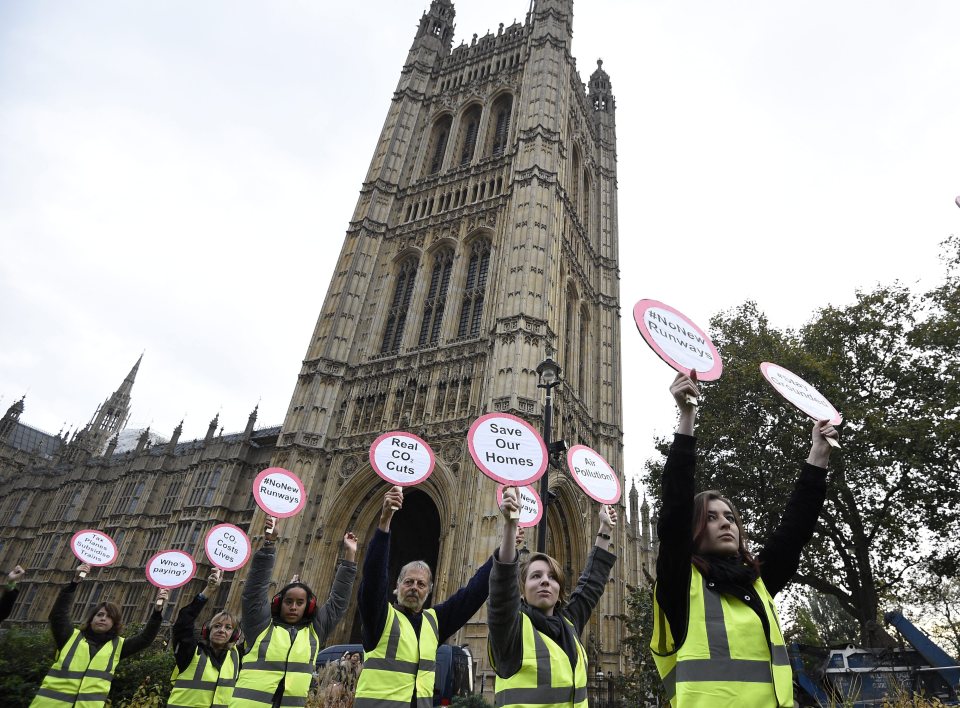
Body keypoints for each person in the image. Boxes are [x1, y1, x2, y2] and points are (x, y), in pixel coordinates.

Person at [649, 371, 838, 707]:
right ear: (693, 532)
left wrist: (818, 454)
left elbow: (794, 531)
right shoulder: (680, 582)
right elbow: (675, 508)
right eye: (710, 517)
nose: (725, 524)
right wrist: (687, 416)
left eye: (730, 517)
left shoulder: (757, 582)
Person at [354, 485, 493, 708]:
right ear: (396, 587)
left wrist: (503, 554)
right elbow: (373, 579)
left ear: (428, 590)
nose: (414, 588)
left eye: (421, 584)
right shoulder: (380, 617)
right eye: (408, 582)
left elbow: (472, 595)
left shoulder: (433, 622)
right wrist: (384, 523)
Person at [488, 486, 618, 708]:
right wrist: (510, 526)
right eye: (535, 576)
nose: (545, 581)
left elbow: (591, 584)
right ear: (522, 589)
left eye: (552, 577)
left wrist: (605, 529)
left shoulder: (569, 624)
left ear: (559, 592)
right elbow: (501, 591)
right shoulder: (511, 631)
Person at [233, 515, 358, 708]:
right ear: (278, 603)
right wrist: (269, 544)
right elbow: (254, 590)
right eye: (289, 601)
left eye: (300, 603)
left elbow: (338, 602)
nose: (293, 606)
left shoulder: (314, 632)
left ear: (308, 607)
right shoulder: (260, 627)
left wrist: (349, 557)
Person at [30, 562, 167, 707]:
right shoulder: (70, 637)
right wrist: (74, 583)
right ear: (91, 619)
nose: (103, 618)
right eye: (100, 614)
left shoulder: (116, 647)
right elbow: (58, 615)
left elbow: (145, 639)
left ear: (114, 624)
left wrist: (157, 612)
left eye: (109, 617)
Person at [168, 567, 244, 707]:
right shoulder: (191, 652)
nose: (222, 630)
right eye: (217, 626)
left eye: (228, 628)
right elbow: (183, 623)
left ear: (234, 635)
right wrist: (208, 591)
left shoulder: (236, 657)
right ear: (207, 630)